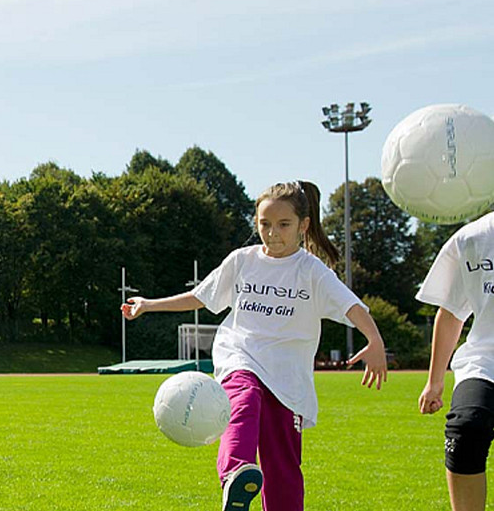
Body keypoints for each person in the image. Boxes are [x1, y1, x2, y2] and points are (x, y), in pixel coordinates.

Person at [121, 180, 387, 511]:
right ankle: (235, 475)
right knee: (243, 399)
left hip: (287, 378)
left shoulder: (312, 272)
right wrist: (149, 304)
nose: (273, 233)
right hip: (240, 355)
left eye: (283, 225)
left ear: (303, 225)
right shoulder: (242, 261)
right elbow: (201, 297)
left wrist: (374, 340)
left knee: (283, 467)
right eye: (264, 224)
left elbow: (353, 307)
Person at [417, 211, 494, 511]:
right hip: (485, 361)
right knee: (466, 430)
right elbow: (451, 312)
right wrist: (435, 382)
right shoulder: (473, 238)